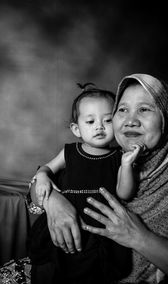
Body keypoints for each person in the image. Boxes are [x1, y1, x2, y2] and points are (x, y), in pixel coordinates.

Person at [29, 73, 168, 283]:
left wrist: (140, 237)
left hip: (100, 249)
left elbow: (124, 192)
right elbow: (37, 185)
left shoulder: (121, 159)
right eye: (122, 110)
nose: (130, 120)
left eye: (144, 109)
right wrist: (51, 199)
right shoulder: (73, 152)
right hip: (63, 241)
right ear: (76, 128)